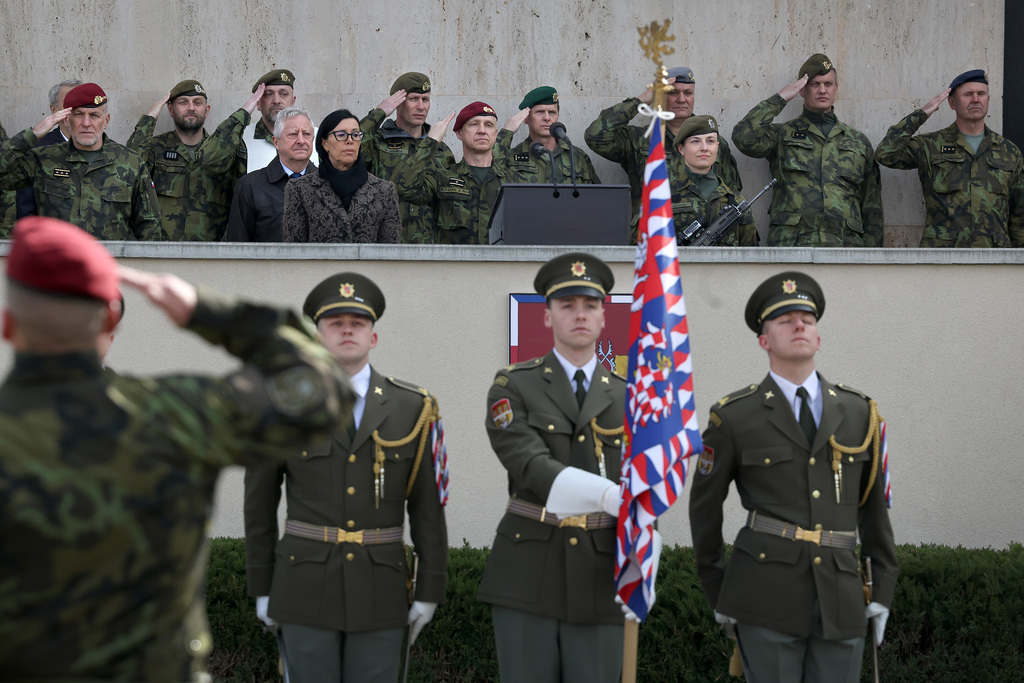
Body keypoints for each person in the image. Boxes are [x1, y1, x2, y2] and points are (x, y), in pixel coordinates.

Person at [0, 216, 352, 680]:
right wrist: (207, 311)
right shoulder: (178, 415)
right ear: (110, 319)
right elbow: (323, 390)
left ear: (8, 324)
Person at [689, 271, 898, 683]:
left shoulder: (860, 413)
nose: (799, 325)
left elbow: (874, 510)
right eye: (785, 320)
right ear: (764, 341)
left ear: (818, 337)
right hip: (763, 594)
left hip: (841, 597)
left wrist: (883, 591)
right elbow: (704, 511)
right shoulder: (733, 416)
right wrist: (720, 593)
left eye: (807, 318)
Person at [245, 272, 448, 681]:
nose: (347, 330)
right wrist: (262, 588)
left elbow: (427, 506)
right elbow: (259, 506)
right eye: (336, 323)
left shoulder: (413, 407)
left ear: (373, 337)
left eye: (358, 323)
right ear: (317, 337)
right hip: (303, 587)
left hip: (382, 589)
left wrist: (429, 590)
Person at [479, 253, 628, 683]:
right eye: (567, 305)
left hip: (604, 572)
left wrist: (644, 535)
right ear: (547, 317)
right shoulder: (513, 385)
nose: (579, 314)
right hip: (529, 568)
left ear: (604, 316)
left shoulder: (631, 395)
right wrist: (604, 494)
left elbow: (644, 479)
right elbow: (527, 464)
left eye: (590, 305)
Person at [731, 54, 883, 247]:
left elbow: (872, 207)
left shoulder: (858, 142)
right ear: (802, 90)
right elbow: (743, 138)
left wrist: (870, 262)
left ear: (836, 89)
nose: (822, 90)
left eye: (828, 84)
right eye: (814, 84)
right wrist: (780, 99)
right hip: (791, 246)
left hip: (845, 248)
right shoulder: (782, 135)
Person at [875, 69, 1024, 247]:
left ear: (988, 100)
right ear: (952, 102)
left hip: (994, 259)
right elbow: (886, 153)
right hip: (942, 258)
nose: (976, 99)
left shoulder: (1008, 151)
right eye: (968, 94)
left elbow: (1019, 217)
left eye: (981, 93)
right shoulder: (930, 146)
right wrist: (922, 114)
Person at [585, 66, 742, 235]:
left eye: (688, 93)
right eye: (673, 93)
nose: (682, 99)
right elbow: (596, 137)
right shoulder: (640, 140)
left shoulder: (714, 143)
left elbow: (731, 196)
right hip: (653, 240)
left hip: (706, 239)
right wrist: (643, 100)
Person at [0, 83, 164, 240]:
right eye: (78, 115)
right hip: (57, 264)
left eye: (94, 116)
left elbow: (150, 227)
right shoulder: (42, 160)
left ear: (106, 121)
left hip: (107, 265)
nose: (86, 123)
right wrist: (33, 134)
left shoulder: (131, 163)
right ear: (65, 120)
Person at [127, 79, 260, 240]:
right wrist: (150, 119)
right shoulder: (156, 148)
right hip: (162, 254)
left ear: (207, 110)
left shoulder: (226, 153)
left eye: (197, 103)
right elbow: (130, 167)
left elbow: (238, 206)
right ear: (170, 109)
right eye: (183, 102)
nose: (191, 108)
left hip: (210, 255)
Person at [392, 102, 529, 244]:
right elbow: (403, 187)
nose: (482, 130)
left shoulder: (516, 182)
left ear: (495, 133)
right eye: (474, 124)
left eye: (488, 125)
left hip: (502, 265)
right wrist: (431, 142)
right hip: (455, 265)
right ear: (459, 133)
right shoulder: (442, 178)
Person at [359, 72, 456, 243]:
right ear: (397, 102)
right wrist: (379, 112)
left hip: (428, 249)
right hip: (382, 246)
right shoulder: (377, 142)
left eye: (425, 99)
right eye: (413, 99)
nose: (421, 106)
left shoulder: (440, 151)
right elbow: (349, 145)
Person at [283, 109, 401, 243]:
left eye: (355, 135)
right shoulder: (300, 189)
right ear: (325, 143)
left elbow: (390, 252)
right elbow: (294, 251)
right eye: (341, 134)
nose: (350, 140)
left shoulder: (384, 191)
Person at [225, 106, 316, 242]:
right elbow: (237, 246)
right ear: (276, 142)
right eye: (293, 134)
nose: (301, 141)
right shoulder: (250, 187)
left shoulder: (327, 184)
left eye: (307, 134)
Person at [671, 115, 758, 246]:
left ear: (717, 147)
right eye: (695, 141)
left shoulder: (736, 203)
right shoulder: (661, 198)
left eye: (710, 141)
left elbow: (750, 259)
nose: (704, 148)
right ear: (681, 148)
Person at [501, 86, 601, 185]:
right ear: (526, 118)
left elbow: (596, 197)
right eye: (540, 112)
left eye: (552, 112)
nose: (547, 118)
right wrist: (506, 133)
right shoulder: (512, 157)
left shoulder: (577, 157)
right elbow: (490, 185)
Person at [14, 78, 82, 221]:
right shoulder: (37, 151)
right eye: (69, 103)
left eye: (81, 102)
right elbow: (27, 210)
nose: (76, 108)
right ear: (53, 109)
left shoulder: (109, 150)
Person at [244, 69, 319, 172]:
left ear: (293, 101)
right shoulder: (241, 138)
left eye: (283, 94)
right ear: (258, 103)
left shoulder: (318, 137)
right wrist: (244, 112)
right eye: (269, 94)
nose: (276, 101)